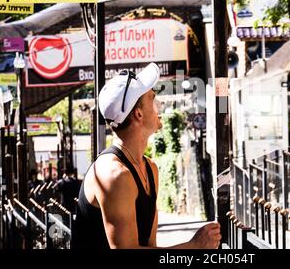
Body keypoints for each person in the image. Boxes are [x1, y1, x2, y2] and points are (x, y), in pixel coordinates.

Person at [71, 63, 221, 249]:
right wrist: (194, 246)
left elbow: (149, 245)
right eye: (152, 98)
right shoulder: (114, 175)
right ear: (139, 114)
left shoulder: (150, 168)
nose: (159, 104)